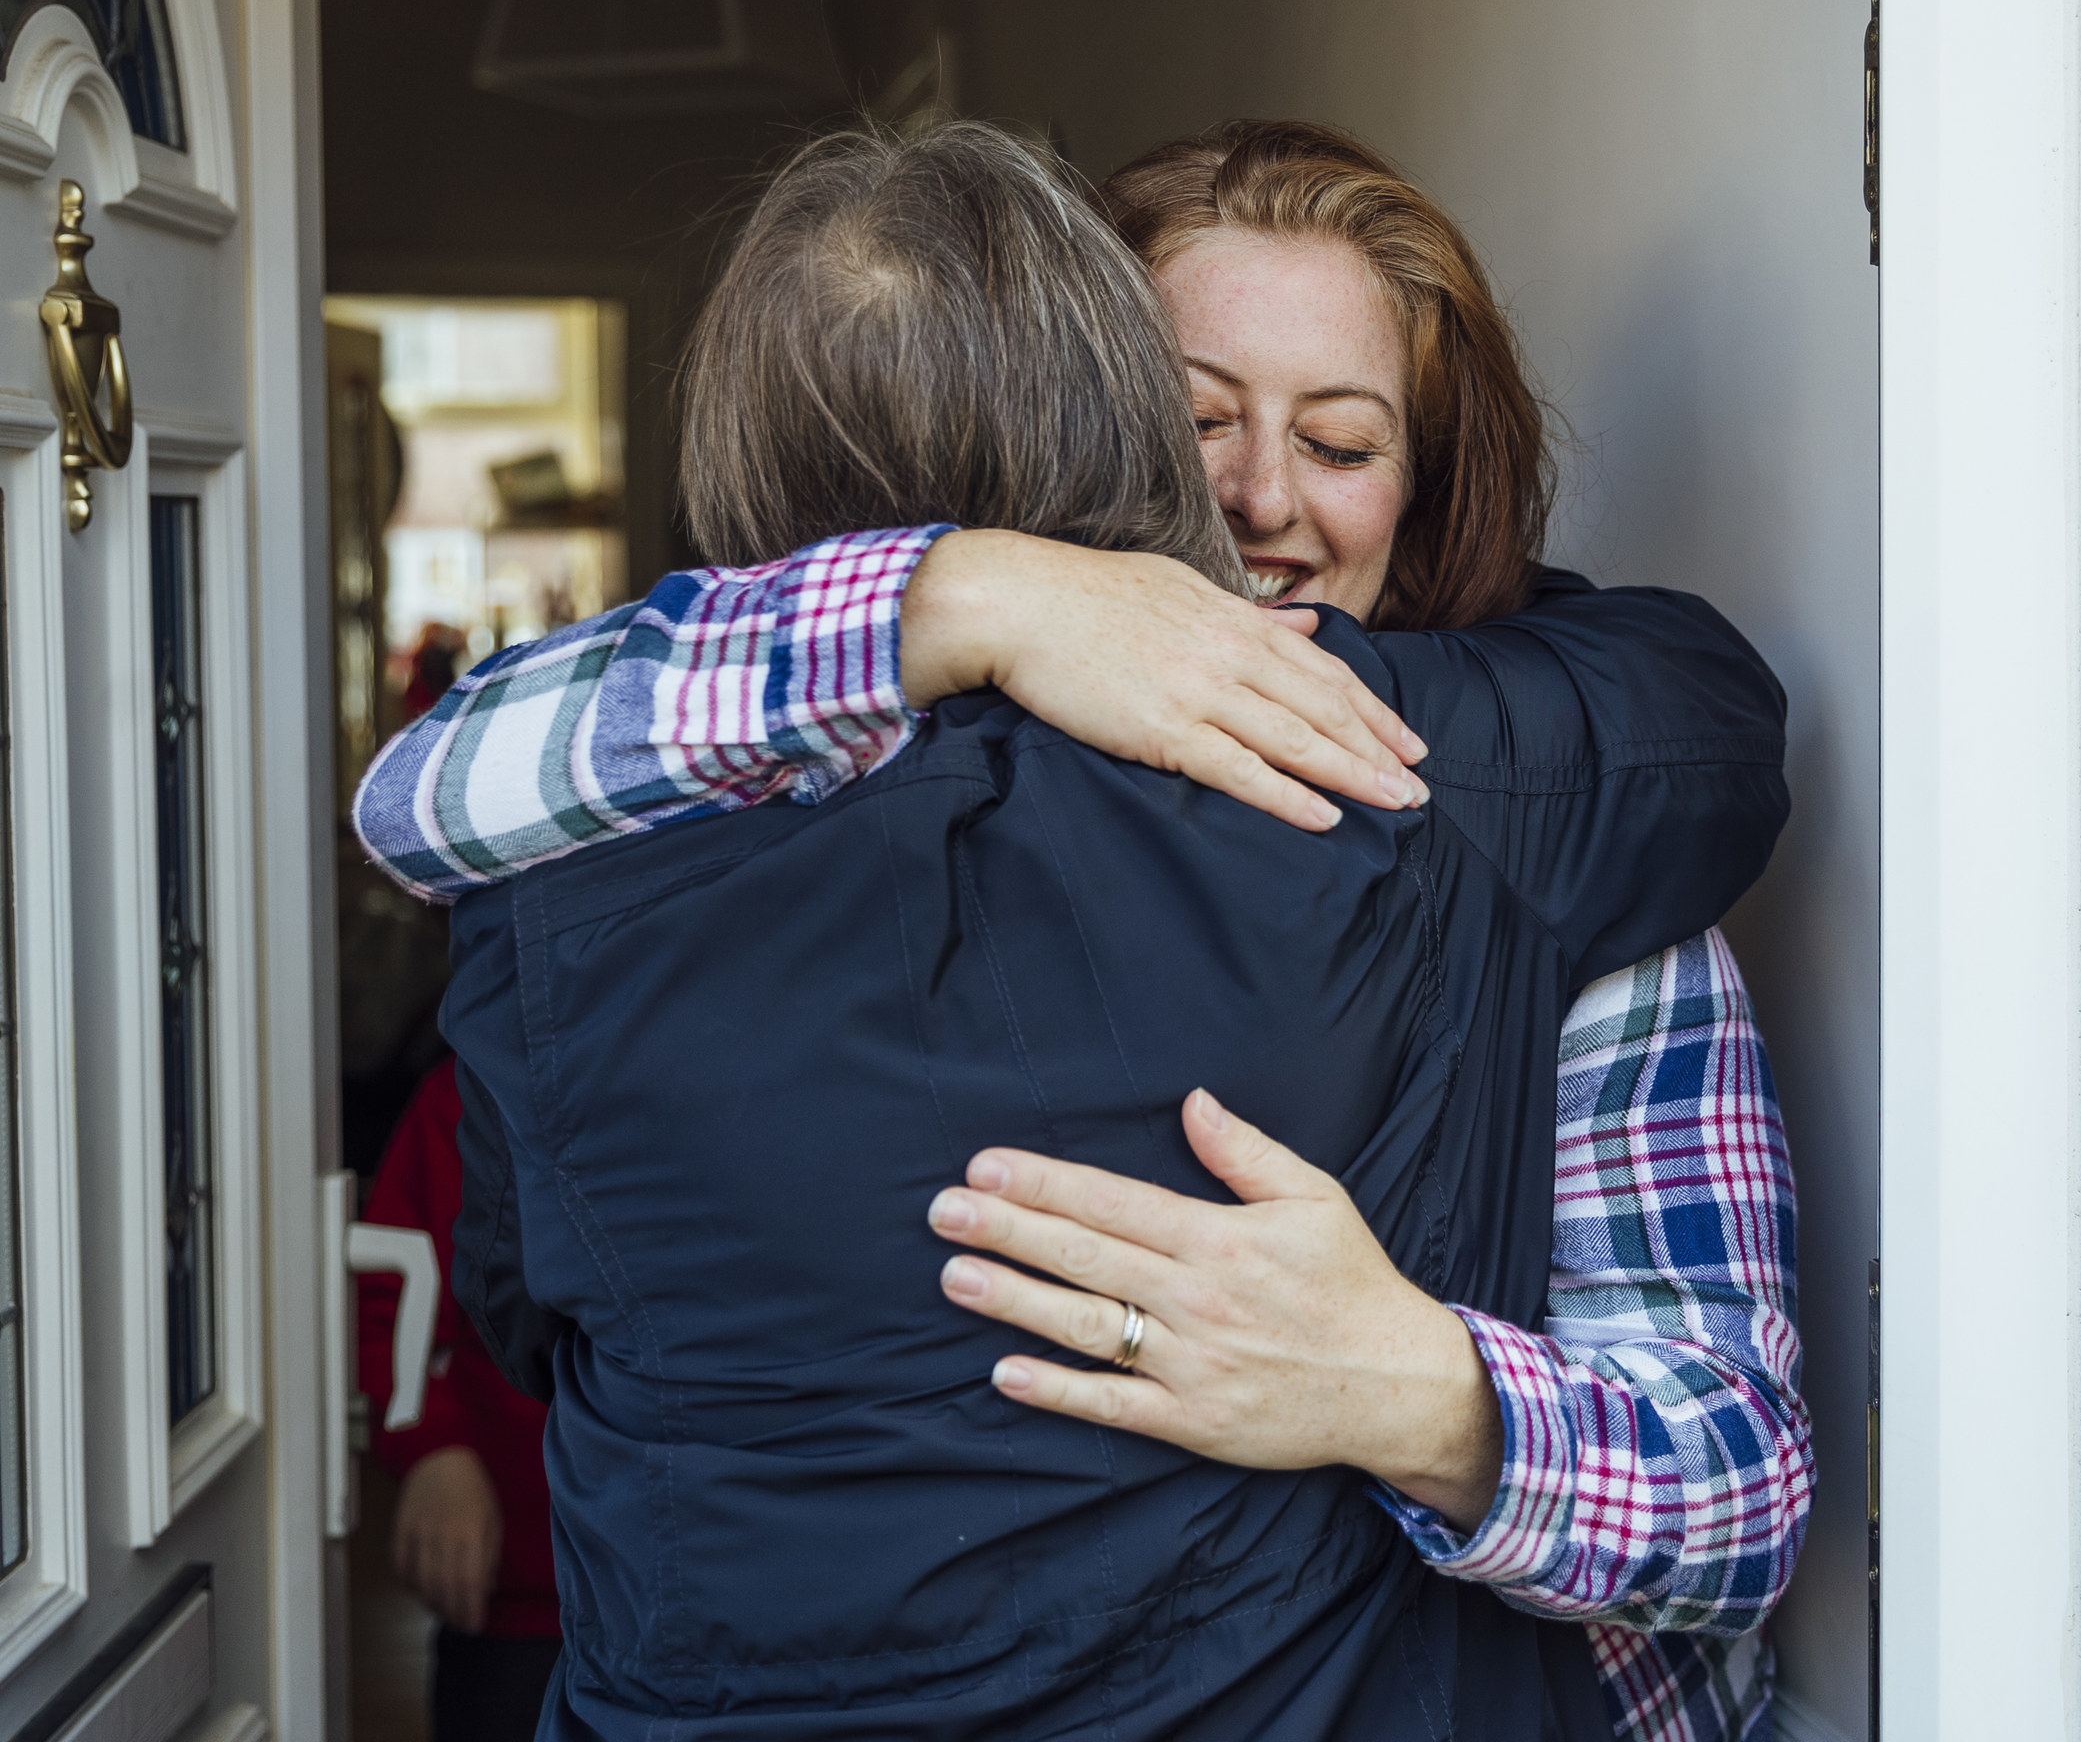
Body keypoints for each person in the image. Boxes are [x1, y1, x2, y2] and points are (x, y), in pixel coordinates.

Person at [362, 120, 1813, 1742]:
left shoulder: (1556, 851)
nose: (1264, 501)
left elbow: (1740, 1498)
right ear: (1091, 413)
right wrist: (973, 599)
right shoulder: (662, 807)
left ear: (1427, 484)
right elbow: (434, 795)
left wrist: (1416, 1390)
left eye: (1341, 443)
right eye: (1201, 420)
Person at [356, 1058, 561, 1742]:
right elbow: (389, 1289)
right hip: (512, 1599)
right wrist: (434, 1451)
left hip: (702, 1592)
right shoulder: (472, 1091)